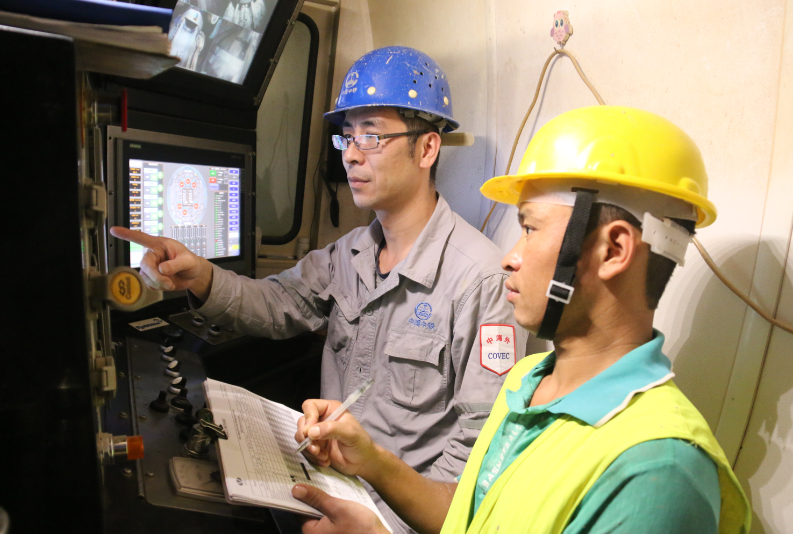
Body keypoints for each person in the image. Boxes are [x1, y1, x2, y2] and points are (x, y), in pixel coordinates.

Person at [110, 46, 527, 533]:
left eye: (371, 135)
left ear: (427, 149)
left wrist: (382, 528)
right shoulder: (349, 253)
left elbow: (477, 461)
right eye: (347, 136)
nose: (350, 153)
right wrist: (198, 274)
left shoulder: (481, 281)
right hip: (329, 485)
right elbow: (275, 303)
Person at [289, 106, 752, 534]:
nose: (510, 257)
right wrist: (372, 463)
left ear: (613, 250)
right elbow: (467, 514)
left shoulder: (655, 469)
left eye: (530, 229)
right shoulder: (527, 381)